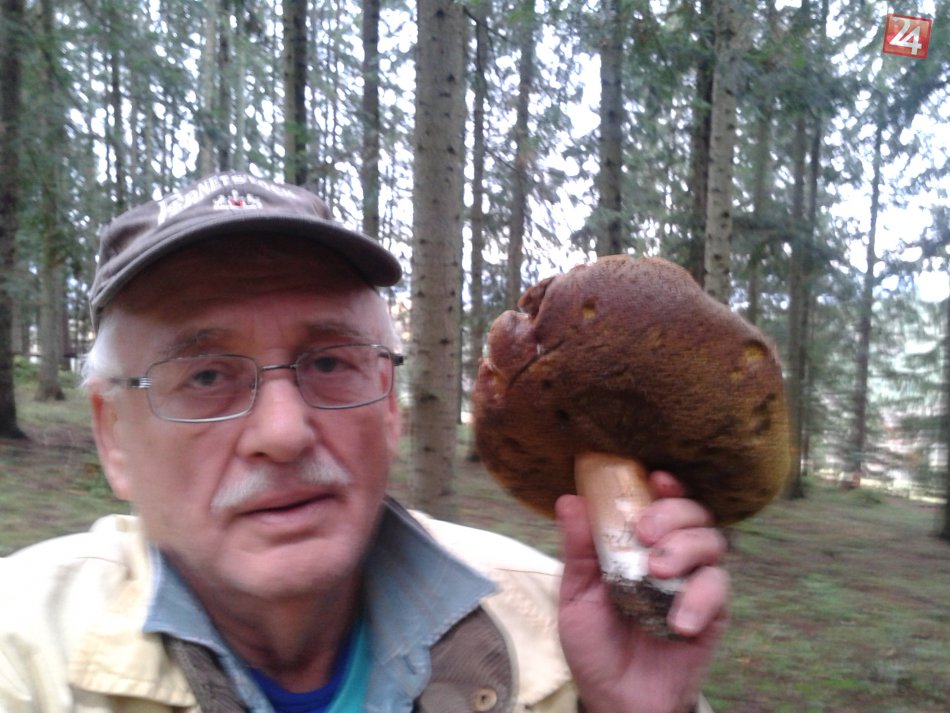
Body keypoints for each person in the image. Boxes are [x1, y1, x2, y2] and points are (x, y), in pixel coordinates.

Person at [0, 172, 729, 713]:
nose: (284, 433)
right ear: (113, 435)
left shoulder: (556, 629)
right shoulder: (22, 654)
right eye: (207, 375)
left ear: (389, 407)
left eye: (328, 362)